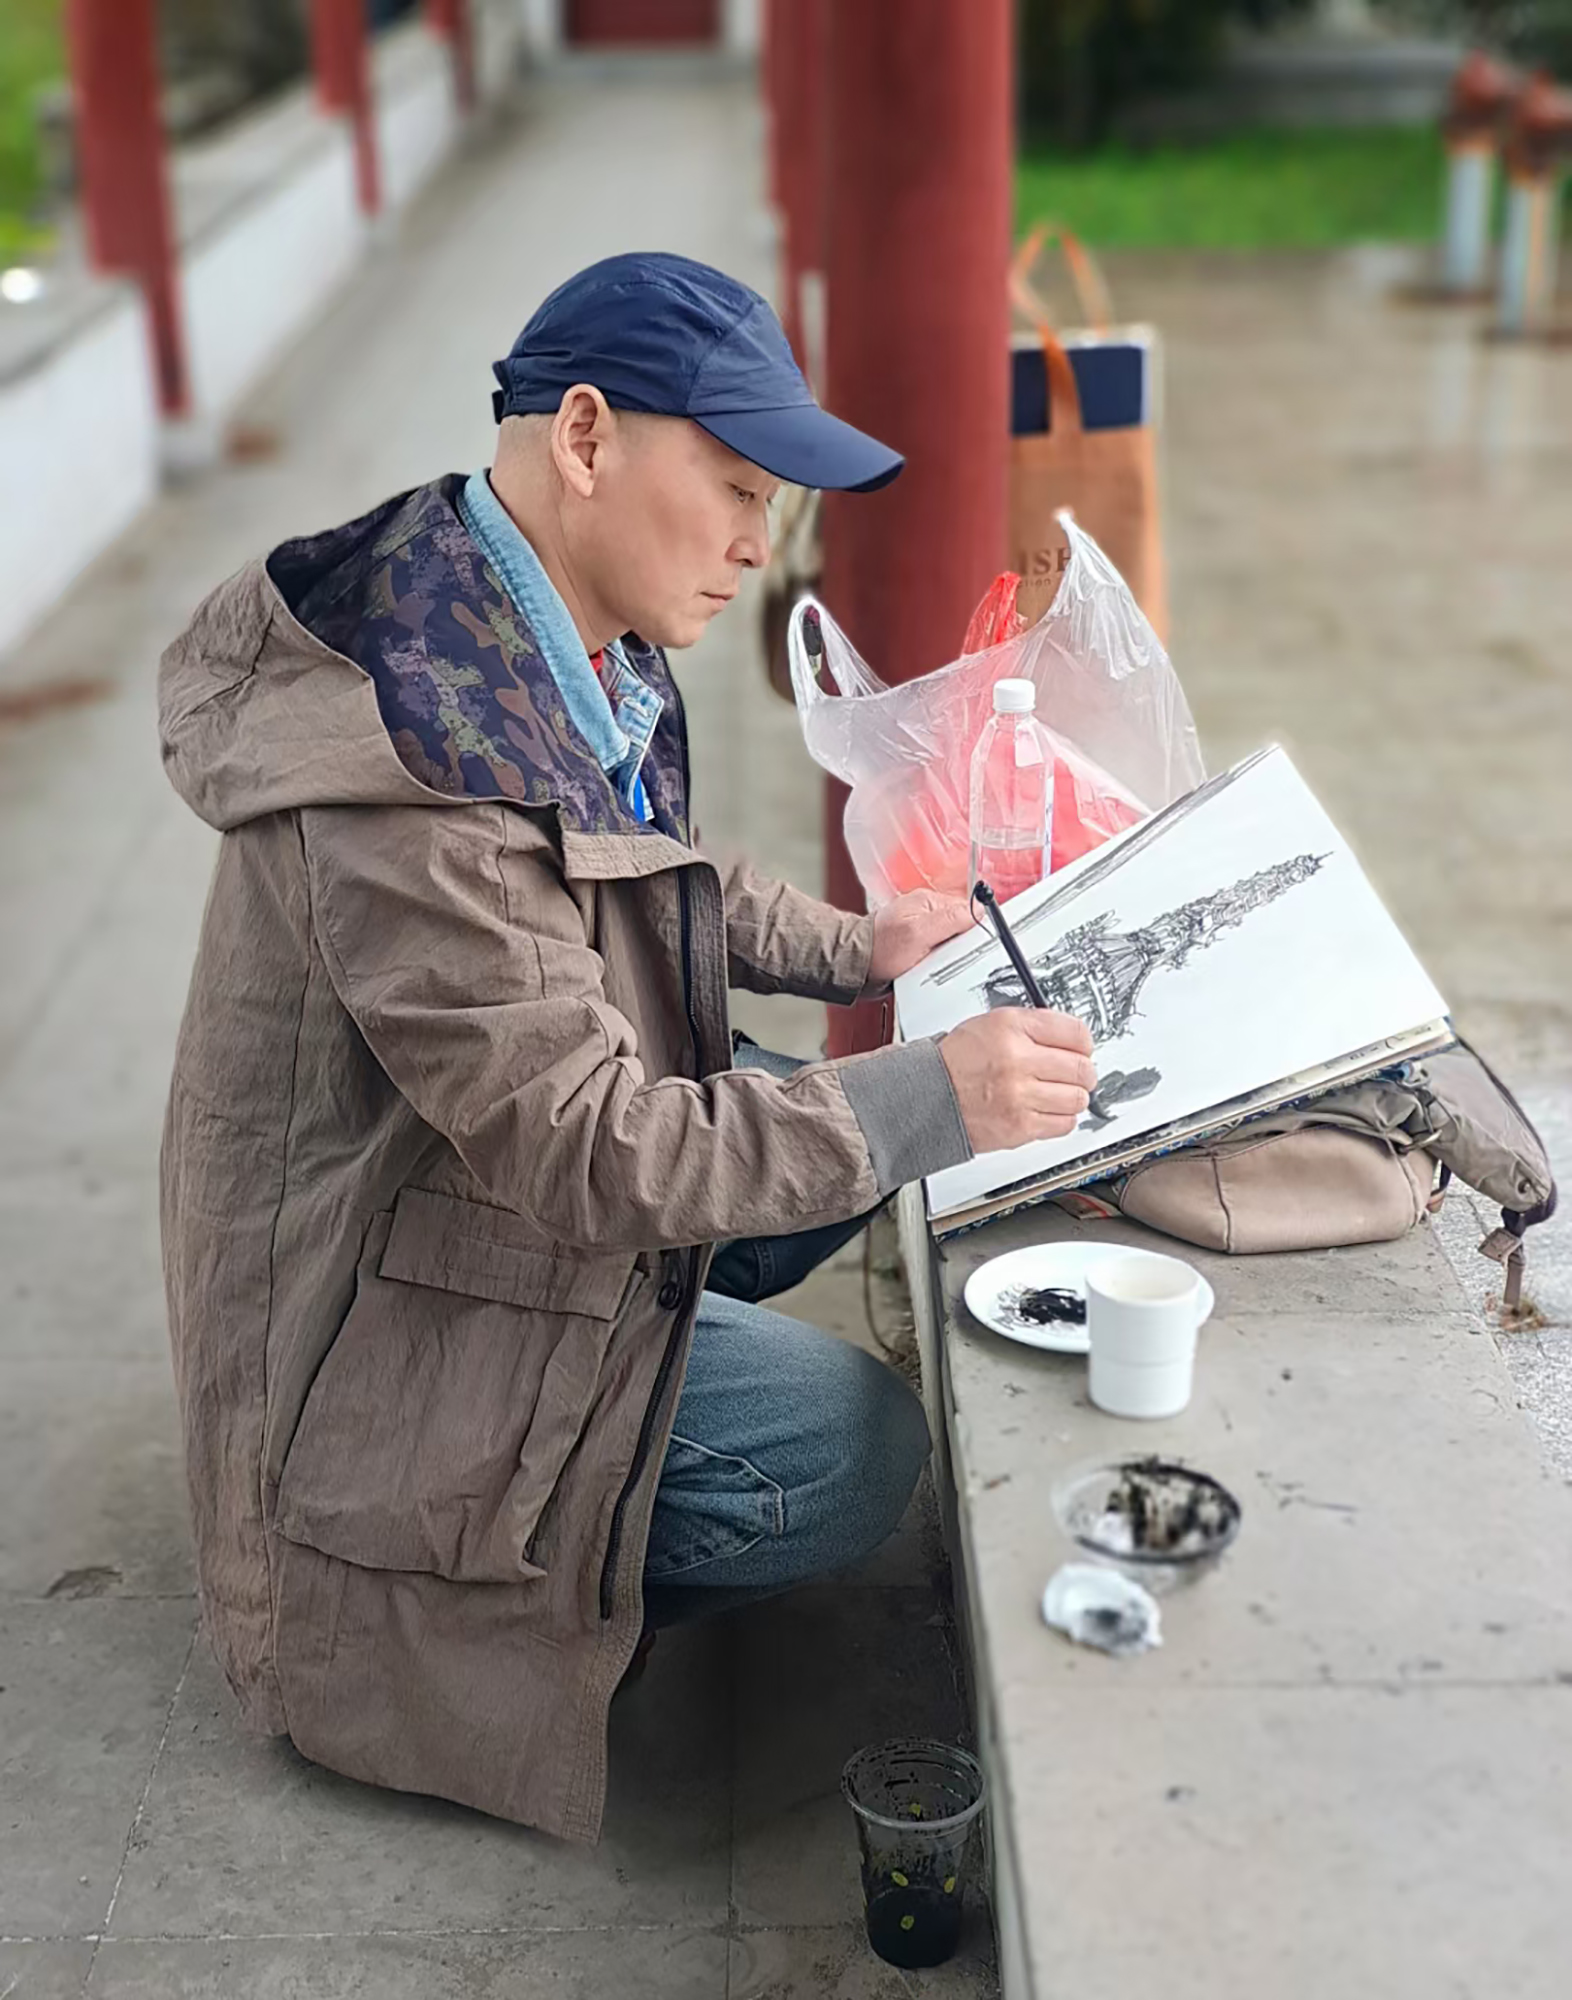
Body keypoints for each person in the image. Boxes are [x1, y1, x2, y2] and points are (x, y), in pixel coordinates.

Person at [158, 253, 1096, 1843]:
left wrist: (860, 949)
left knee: (843, 1155)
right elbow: (591, 1148)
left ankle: (614, 1444)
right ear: (585, 440)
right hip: (370, 1347)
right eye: (735, 488)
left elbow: (655, 880)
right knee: (854, 1451)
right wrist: (931, 1087)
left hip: (474, 1222)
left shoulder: (529, 614)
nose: (758, 547)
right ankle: (488, 1606)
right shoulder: (410, 763)